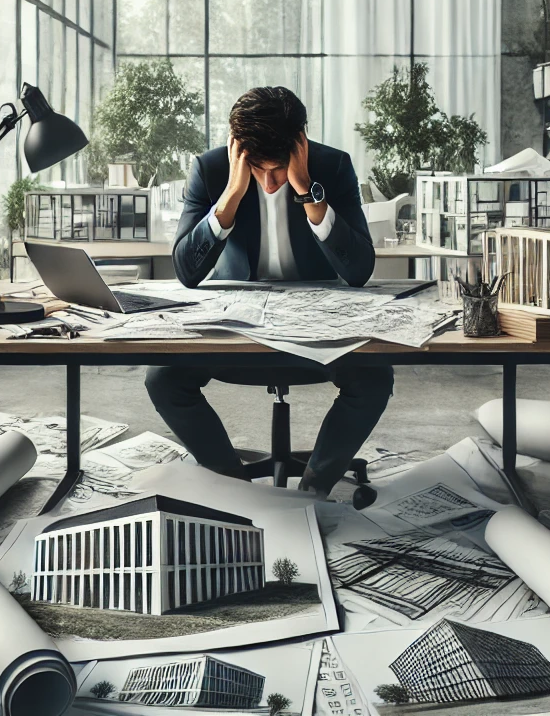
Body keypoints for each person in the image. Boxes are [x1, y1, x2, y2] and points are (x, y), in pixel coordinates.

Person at [145, 86, 393, 498]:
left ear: (300, 144)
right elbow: (187, 272)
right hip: (237, 338)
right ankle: (234, 485)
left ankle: (314, 490)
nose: (269, 181)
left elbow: (359, 271)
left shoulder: (332, 168)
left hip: (316, 335)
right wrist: (231, 195)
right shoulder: (210, 170)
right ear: (237, 150)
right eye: (259, 169)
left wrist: (307, 191)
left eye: (277, 168)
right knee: (163, 379)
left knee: (374, 378)